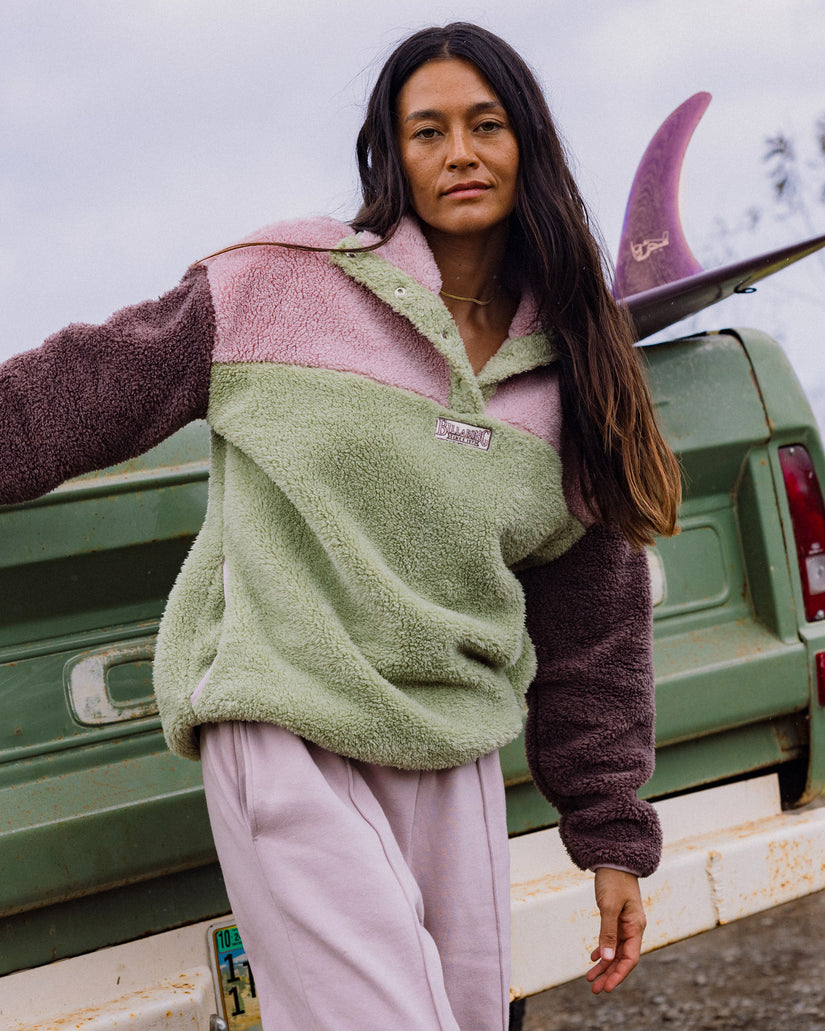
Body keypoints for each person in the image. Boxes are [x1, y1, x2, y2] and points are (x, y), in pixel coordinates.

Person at [0, 22, 680, 1031]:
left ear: (527, 144)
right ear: (392, 156)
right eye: (428, 131)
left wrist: (612, 835)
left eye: (486, 125)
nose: (459, 152)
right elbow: (79, 391)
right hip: (285, 720)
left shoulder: (575, 369)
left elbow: (595, 633)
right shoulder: (280, 287)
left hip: (452, 749)